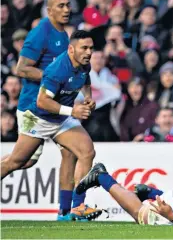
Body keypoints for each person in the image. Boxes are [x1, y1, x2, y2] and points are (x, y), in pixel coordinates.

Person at [1, 30, 101, 221]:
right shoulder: (57, 70)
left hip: (60, 119)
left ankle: (75, 208)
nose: (89, 52)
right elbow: (42, 102)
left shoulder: (84, 64)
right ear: (71, 49)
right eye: (84, 48)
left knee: (86, 152)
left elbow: (85, 79)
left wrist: (88, 97)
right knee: (19, 161)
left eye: (91, 48)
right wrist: (72, 111)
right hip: (38, 118)